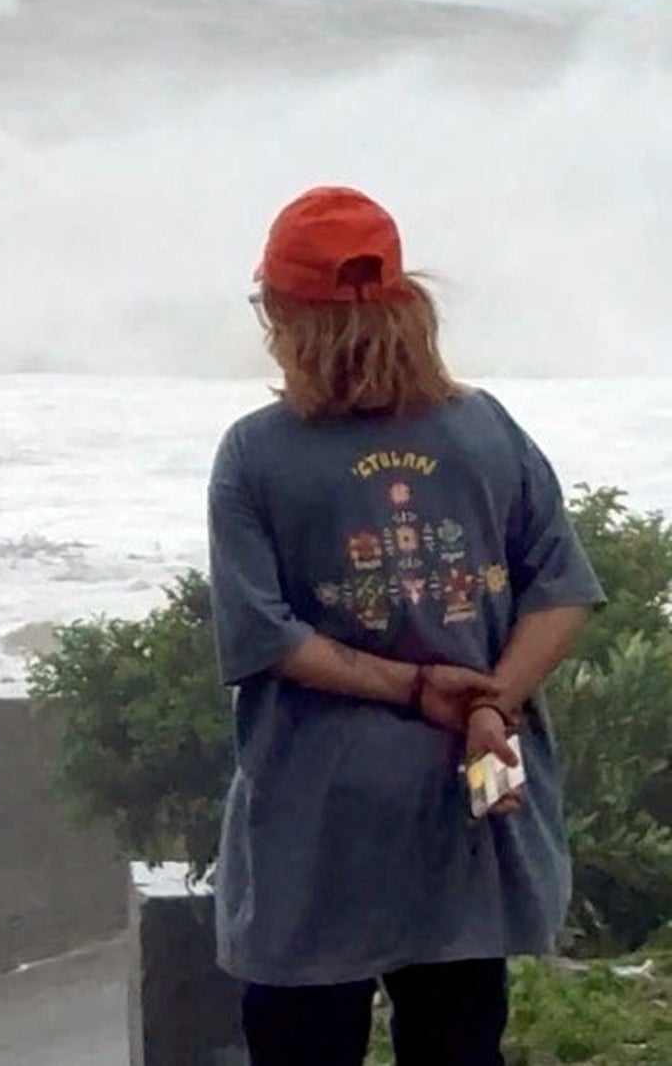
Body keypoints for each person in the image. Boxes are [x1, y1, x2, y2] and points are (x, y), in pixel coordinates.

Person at [209, 188, 604, 1066]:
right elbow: (563, 589)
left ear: (285, 314)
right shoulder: (485, 429)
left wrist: (415, 687)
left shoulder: (255, 453)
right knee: (459, 1045)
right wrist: (490, 704)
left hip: (318, 834)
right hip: (463, 811)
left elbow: (265, 634)